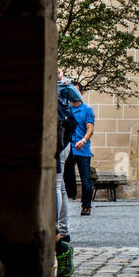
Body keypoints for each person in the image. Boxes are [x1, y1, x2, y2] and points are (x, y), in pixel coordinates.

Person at [56, 69, 82, 242]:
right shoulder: (58, 87)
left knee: (57, 184)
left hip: (60, 140)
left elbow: (77, 98)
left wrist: (63, 80)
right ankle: (63, 230)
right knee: (61, 185)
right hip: (63, 139)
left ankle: (56, 227)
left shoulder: (61, 86)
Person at [69, 81, 96, 216]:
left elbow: (90, 128)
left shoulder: (87, 110)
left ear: (81, 93)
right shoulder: (65, 108)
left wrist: (84, 140)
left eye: (77, 91)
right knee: (64, 178)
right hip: (67, 149)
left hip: (82, 150)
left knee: (86, 180)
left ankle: (86, 205)